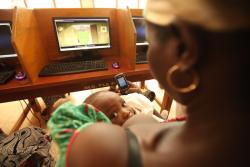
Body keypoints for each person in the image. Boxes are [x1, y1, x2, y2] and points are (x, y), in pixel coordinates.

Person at [49, 0, 250, 166]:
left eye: (150, 42)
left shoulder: (98, 149)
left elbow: (66, 120)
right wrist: (140, 96)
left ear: (184, 49)